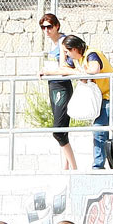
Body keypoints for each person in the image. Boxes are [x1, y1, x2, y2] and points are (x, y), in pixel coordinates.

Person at [62, 36, 113, 172]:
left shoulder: (91, 54)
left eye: (67, 52)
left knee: (99, 127)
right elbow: (64, 69)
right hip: (100, 96)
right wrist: (46, 72)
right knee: (111, 130)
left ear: (74, 49)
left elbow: (94, 70)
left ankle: (98, 167)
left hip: (111, 94)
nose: (66, 55)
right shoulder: (77, 58)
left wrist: (77, 72)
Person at [38, 13, 77, 171]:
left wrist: (47, 72)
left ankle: (74, 168)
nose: (46, 30)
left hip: (62, 85)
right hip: (53, 85)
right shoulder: (52, 44)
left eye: (49, 27)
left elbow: (64, 69)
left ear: (56, 26)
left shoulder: (62, 42)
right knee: (61, 131)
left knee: (58, 131)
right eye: (43, 27)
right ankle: (65, 167)